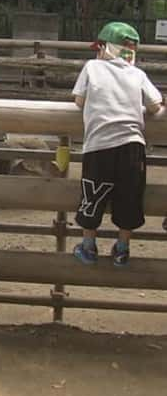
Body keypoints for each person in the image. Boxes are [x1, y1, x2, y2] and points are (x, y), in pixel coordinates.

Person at [72, 21, 164, 267]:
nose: (97, 52)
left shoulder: (92, 67)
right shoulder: (138, 74)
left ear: (106, 48)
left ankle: (89, 247)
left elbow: (79, 100)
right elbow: (156, 105)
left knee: (93, 194)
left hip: (99, 145)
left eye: (99, 47)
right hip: (133, 146)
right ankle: (122, 250)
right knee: (130, 196)